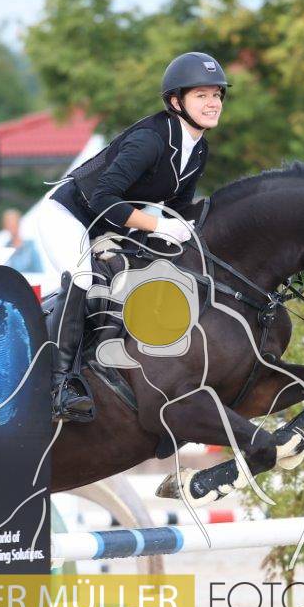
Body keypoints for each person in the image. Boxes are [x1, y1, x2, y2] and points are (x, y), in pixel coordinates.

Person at [38, 51, 227, 422]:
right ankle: (58, 386)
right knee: (84, 279)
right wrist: (158, 227)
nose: (213, 103)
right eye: (202, 95)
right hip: (69, 216)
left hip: (113, 226)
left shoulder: (198, 149)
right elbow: (102, 199)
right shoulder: (150, 140)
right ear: (177, 102)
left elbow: (178, 209)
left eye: (217, 95)